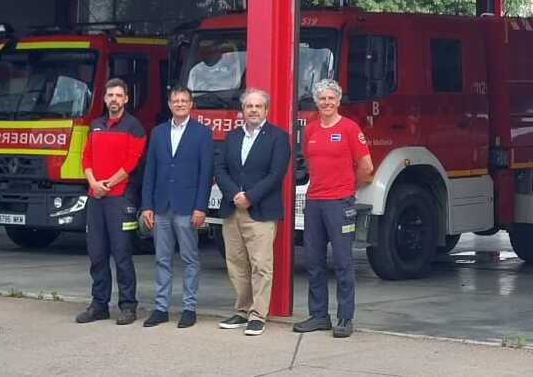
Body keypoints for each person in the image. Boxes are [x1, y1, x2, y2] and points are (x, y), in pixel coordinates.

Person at [292, 79, 373, 339]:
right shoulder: (311, 130)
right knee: (313, 262)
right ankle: (319, 316)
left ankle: (345, 318)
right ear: (316, 102)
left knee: (342, 262)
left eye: (331, 98)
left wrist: (349, 189)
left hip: (340, 203)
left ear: (338, 101)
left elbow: (366, 167)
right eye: (322, 99)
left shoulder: (350, 129)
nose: (326, 103)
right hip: (314, 202)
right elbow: (307, 160)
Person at [213, 88, 290, 336]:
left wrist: (250, 197)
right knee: (236, 263)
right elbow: (220, 168)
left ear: (266, 110)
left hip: (261, 211)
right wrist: (235, 194)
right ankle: (242, 310)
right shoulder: (232, 136)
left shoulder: (278, 137)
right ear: (242, 111)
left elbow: (276, 174)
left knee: (261, 265)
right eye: (249, 106)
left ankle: (258, 315)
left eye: (258, 106)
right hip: (232, 208)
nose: (254, 110)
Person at [140, 85, 214, 328]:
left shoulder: (202, 133)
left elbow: (206, 174)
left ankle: (189, 308)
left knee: (189, 259)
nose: (180, 104)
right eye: (176, 101)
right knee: (162, 258)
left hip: (187, 206)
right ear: (169, 105)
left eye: (184, 100)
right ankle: (161, 308)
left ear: (191, 105)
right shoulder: (158, 132)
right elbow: (149, 170)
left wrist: (201, 207)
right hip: (161, 206)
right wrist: (147, 205)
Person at [76, 78, 146, 326]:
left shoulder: (134, 126)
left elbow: (131, 161)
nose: (114, 99)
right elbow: (86, 157)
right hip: (96, 198)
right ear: (104, 99)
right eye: (110, 95)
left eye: (119, 95)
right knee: (96, 254)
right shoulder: (95, 125)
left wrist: (107, 184)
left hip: (119, 198)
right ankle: (99, 305)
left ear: (126, 99)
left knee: (122, 254)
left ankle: (128, 306)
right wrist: (94, 183)